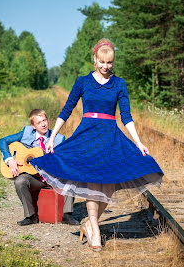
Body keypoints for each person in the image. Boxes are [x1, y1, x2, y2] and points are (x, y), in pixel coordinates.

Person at [31, 38, 164, 251]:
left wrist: (139, 142)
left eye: (109, 63)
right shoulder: (83, 81)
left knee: (108, 186)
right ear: (95, 60)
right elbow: (67, 110)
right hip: (88, 136)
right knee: (93, 184)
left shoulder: (119, 83)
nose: (105, 66)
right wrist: (53, 135)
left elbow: (126, 116)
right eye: (102, 62)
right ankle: (95, 228)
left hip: (110, 137)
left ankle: (89, 223)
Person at [0, 109, 79, 226]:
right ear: (33, 126)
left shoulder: (59, 139)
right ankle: (31, 216)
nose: (43, 124)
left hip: (53, 178)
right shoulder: (26, 133)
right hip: (35, 178)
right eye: (39, 122)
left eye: (44, 120)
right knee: (20, 181)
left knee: (71, 176)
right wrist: (10, 160)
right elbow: (2, 141)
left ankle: (67, 215)